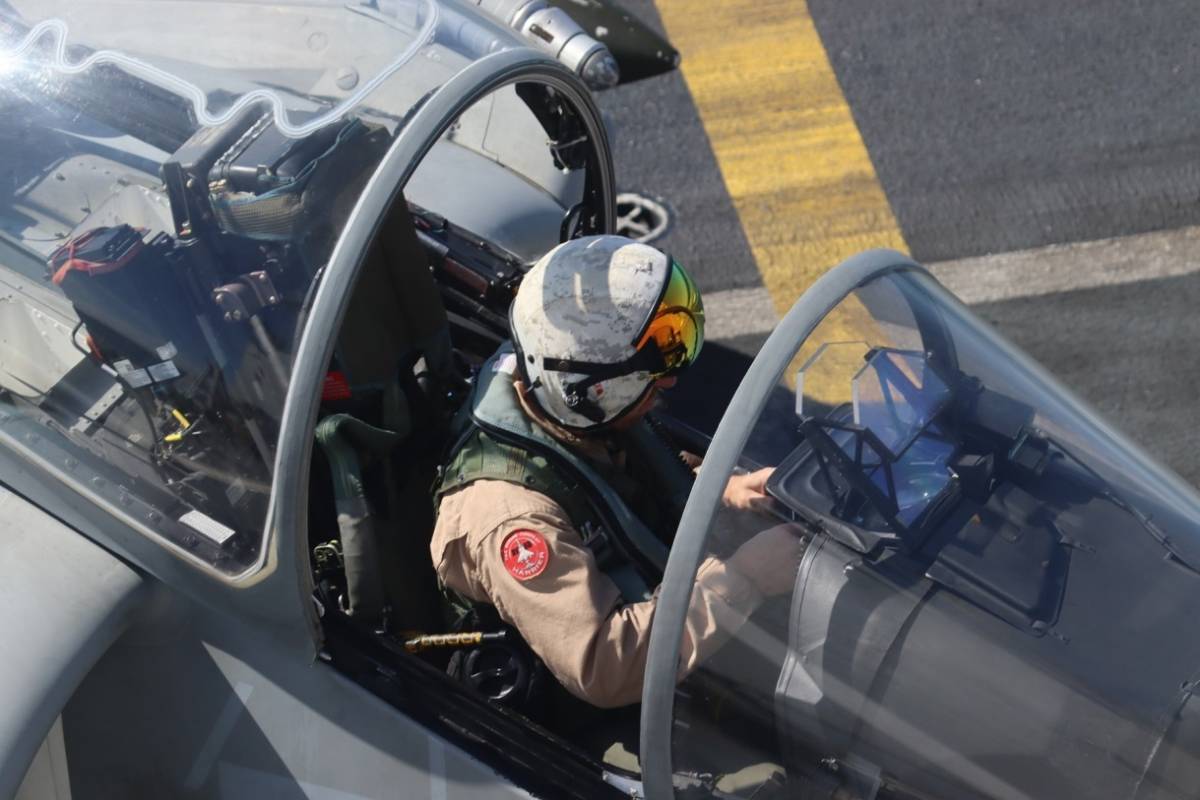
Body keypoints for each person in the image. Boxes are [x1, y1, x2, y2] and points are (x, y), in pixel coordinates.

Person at [430, 234, 806, 709]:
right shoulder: (513, 522)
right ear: (587, 389)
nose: (668, 379)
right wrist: (745, 580)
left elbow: (622, 476)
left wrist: (722, 490)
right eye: (654, 363)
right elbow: (604, 666)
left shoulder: (571, 403)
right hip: (599, 717)